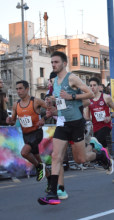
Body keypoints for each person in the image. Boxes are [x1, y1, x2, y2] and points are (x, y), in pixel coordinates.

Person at [38, 51, 109, 205]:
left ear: (64, 63)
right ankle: (53, 193)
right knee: (56, 156)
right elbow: (61, 103)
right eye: (52, 62)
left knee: (81, 159)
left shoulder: (71, 78)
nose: (53, 64)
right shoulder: (55, 82)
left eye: (56, 62)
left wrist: (72, 97)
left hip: (77, 123)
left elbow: (90, 94)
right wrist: (52, 105)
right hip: (62, 124)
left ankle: (101, 157)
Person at [6, 81, 51, 190]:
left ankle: (38, 167)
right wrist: (10, 121)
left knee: (24, 152)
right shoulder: (15, 104)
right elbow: (13, 121)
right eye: (17, 89)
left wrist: (44, 119)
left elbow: (52, 110)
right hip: (26, 135)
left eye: (21, 88)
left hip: (36, 133)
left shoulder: (36, 101)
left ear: (27, 89)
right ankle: (51, 182)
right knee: (39, 160)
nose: (18, 91)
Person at [85, 77, 114, 183]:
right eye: (90, 85)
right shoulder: (88, 101)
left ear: (99, 86)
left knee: (93, 143)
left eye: (94, 85)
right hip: (96, 128)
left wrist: (110, 118)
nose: (92, 87)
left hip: (106, 126)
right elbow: (88, 118)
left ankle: (106, 164)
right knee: (105, 151)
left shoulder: (106, 98)